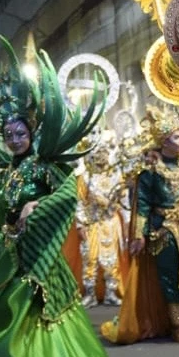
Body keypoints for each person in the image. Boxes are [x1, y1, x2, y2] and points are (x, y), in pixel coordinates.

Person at [0, 37, 110, 357]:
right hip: (13, 257)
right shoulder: (6, 172)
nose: (13, 139)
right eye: (7, 134)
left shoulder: (45, 165)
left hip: (43, 258)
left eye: (19, 132)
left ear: (31, 131)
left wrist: (35, 208)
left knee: (44, 315)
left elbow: (69, 194)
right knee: (14, 322)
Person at [101, 104, 179, 344]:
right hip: (165, 233)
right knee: (170, 279)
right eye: (177, 136)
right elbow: (142, 204)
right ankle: (178, 325)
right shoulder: (150, 170)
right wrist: (139, 235)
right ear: (164, 141)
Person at [76, 129, 126, 308]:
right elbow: (79, 202)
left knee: (111, 259)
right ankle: (90, 294)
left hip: (110, 222)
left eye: (104, 153)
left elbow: (123, 199)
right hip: (91, 223)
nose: (101, 157)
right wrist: (80, 223)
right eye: (97, 154)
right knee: (89, 257)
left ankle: (110, 293)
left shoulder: (116, 176)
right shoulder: (85, 177)